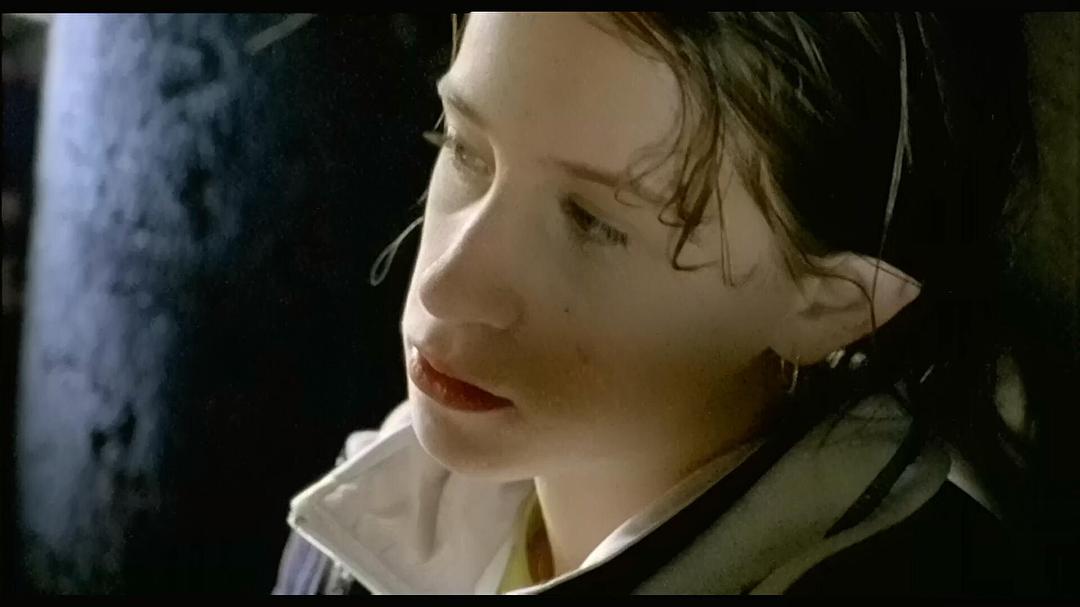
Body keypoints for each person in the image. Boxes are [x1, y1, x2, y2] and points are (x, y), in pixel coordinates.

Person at [272, 12, 1046, 595]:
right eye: (465, 148)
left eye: (593, 223)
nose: (446, 285)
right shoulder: (360, 531)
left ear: (832, 306)